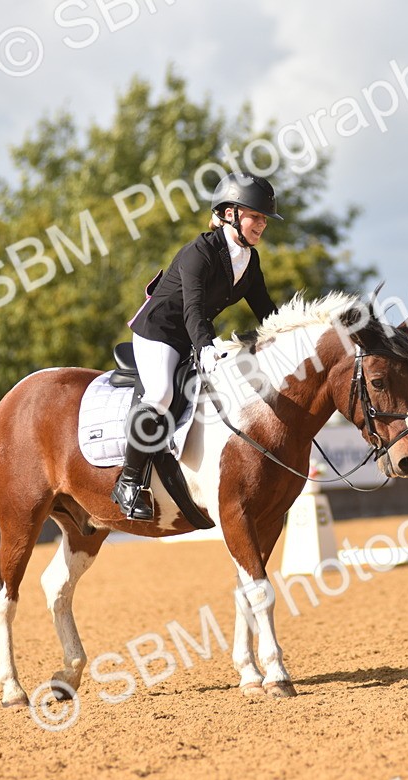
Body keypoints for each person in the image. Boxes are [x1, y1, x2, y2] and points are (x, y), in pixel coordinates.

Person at [112, 171, 283, 520]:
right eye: (256, 215)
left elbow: (266, 310)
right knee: (160, 394)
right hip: (160, 332)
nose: (262, 224)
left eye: (265, 218)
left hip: (194, 334)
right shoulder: (198, 253)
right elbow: (192, 308)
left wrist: (287, 337)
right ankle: (128, 483)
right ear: (230, 213)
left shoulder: (249, 260)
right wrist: (206, 346)